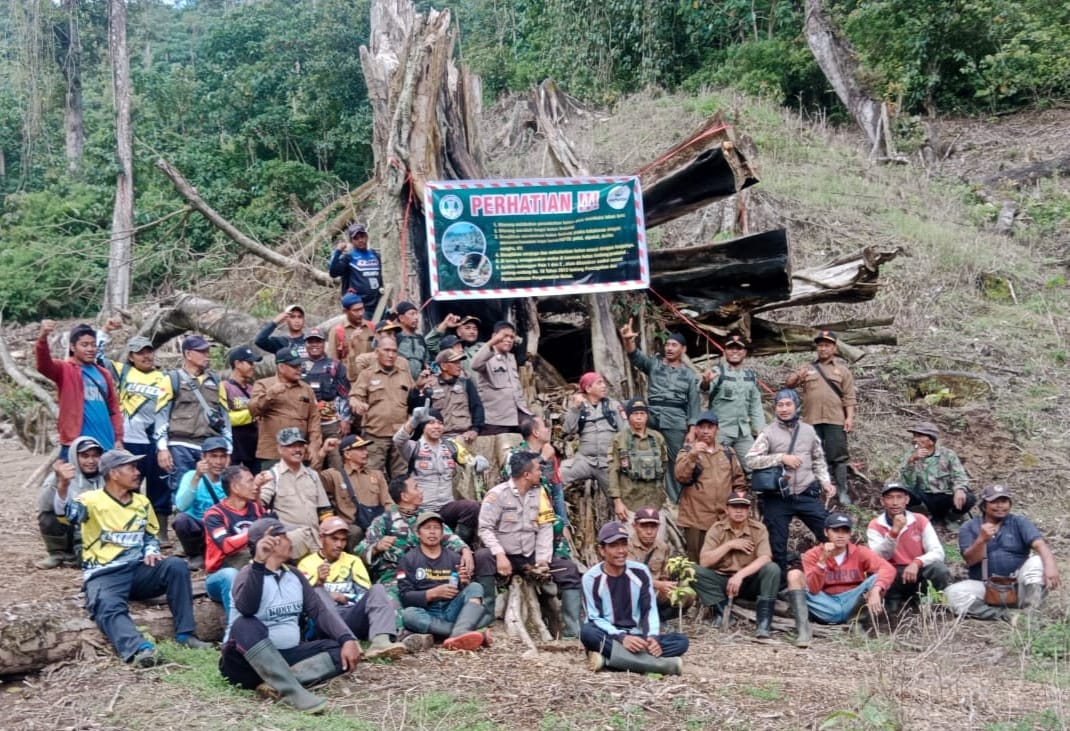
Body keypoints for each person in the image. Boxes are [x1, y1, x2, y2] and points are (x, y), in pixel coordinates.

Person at [54, 449, 211, 667]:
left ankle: (186, 634)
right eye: (131, 468)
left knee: (176, 566)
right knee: (107, 605)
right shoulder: (90, 500)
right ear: (113, 474)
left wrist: (151, 551)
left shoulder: (141, 502)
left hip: (138, 570)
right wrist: (63, 485)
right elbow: (65, 515)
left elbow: (149, 535)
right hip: (104, 573)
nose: (137, 473)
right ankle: (139, 649)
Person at [219, 518, 362, 714]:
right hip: (245, 663)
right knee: (245, 623)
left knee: (339, 651)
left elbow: (318, 610)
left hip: (287, 656)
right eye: (285, 536)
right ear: (270, 542)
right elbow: (247, 609)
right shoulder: (247, 574)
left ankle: (280, 682)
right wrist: (259, 564)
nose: (291, 541)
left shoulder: (294, 575)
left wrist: (346, 639)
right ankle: (292, 691)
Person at [478, 450, 584, 638]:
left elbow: (545, 527)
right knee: (482, 557)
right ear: (526, 474)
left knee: (569, 570)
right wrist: (499, 554)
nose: (540, 473)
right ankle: (487, 620)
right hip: (505, 555)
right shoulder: (497, 494)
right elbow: (485, 528)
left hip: (530, 554)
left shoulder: (540, 493)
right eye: (538, 469)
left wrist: (543, 560)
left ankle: (571, 630)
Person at [354, 475, 480, 611]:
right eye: (416, 488)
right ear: (405, 496)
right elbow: (359, 551)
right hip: (395, 577)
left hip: (428, 573)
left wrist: (465, 550)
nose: (421, 491)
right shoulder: (384, 521)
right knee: (393, 607)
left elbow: (449, 537)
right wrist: (376, 547)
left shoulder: (427, 518)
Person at [745, 388, 834, 575]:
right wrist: (780, 458)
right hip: (777, 496)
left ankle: (832, 575)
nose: (784, 409)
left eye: (788, 404)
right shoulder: (768, 433)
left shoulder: (809, 431)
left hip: (805, 492)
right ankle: (781, 585)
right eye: (780, 405)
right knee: (776, 545)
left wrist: (825, 482)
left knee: (830, 531)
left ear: (796, 406)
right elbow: (751, 460)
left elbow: (818, 459)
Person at [582, 520, 689, 674]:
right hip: (612, 635)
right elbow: (595, 617)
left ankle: (609, 660)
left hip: (637, 635)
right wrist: (622, 638)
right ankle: (659, 665)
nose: (621, 551)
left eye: (624, 544)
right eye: (614, 546)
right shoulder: (591, 578)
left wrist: (652, 637)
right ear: (602, 550)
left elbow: (649, 609)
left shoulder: (640, 571)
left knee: (681, 641)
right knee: (588, 632)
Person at [297, 517, 407, 659]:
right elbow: (303, 604)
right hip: (324, 623)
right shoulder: (306, 564)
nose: (339, 544)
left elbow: (366, 596)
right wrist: (319, 583)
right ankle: (349, 642)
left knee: (378, 589)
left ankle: (381, 641)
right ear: (321, 538)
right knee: (318, 592)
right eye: (334, 539)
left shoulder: (353, 561)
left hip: (350, 614)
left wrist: (344, 597)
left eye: (343, 540)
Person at [945, 484, 1061, 619]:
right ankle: (1005, 615)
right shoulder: (969, 527)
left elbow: (1040, 545)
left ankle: (1032, 612)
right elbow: (970, 560)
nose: (1000, 506)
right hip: (986, 587)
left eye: (1004, 501)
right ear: (984, 506)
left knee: (1037, 560)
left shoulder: (1019, 522)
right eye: (994, 502)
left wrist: (1051, 567)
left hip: (1017, 585)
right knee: (951, 594)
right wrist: (981, 539)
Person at [157, 335, 230, 543]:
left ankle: (214, 533)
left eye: (208, 351)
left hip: (210, 445)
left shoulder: (216, 381)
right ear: (188, 354)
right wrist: (162, 448)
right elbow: (161, 415)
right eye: (202, 351)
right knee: (182, 489)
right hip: (180, 444)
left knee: (215, 487)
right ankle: (185, 538)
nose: (207, 355)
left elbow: (224, 417)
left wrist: (229, 449)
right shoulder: (172, 379)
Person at [619, 320, 701, 504]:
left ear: (683, 349)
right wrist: (628, 340)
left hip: (675, 419)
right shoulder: (655, 365)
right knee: (627, 408)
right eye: (667, 344)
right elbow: (635, 356)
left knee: (676, 461)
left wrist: (692, 430)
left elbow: (694, 403)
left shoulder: (689, 375)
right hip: (653, 414)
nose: (669, 348)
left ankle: (675, 501)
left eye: (674, 345)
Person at [786, 513, 895, 642]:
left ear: (850, 534)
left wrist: (876, 589)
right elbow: (813, 589)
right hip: (825, 604)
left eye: (845, 531)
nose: (840, 535)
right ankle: (803, 630)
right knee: (794, 575)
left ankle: (857, 623)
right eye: (835, 530)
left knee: (878, 577)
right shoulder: (813, 554)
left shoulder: (859, 551)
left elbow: (888, 569)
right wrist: (822, 561)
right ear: (826, 532)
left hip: (852, 602)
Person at [99, 334, 171, 520]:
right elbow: (97, 357)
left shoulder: (165, 377)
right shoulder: (122, 371)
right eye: (140, 353)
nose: (146, 356)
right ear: (131, 356)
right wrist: (105, 332)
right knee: (129, 484)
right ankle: (129, 524)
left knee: (160, 487)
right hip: (129, 440)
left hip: (156, 441)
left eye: (149, 352)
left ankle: (160, 529)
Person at [693, 491, 780, 638]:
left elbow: (765, 558)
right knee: (691, 570)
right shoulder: (717, 529)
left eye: (743, 507)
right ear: (727, 509)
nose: (739, 511)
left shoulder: (758, 529)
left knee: (772, 569)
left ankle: (763, 624)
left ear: (749, 510)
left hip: (749, 581)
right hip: (723, 581)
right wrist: (730, 545)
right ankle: (723, 613)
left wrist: (740, 575)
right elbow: (704, 561)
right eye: (735, 507)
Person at [397, 512, 489, 650]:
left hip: (451, 609)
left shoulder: (454, 557)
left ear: (442, 533)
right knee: (409, 615)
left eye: (436, 528)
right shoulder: (408, 560)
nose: (432, 532)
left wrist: (464, 582)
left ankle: (457, 633)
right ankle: (464, 633)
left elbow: (464, 592)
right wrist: (432, 593)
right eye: (427, 528)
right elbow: (405, 596)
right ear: (417, 533)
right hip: (427, 612)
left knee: (475, 587)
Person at [785, 330, 856, 505]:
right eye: (820, 345)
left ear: (834, 348)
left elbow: (849, 397)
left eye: (827, 345)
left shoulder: (843, 371)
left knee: (838, 456)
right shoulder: (807, 368)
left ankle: (842, 491)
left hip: (835, 419)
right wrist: (798, 375)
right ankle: (813, 489)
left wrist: (849, 418)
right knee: (810, 454)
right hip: (811, 420)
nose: (823, 349)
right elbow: (789, 384)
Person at [393, 407, 483, 543]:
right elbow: (398, 440)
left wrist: (478, 462)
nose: (436, 426)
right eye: (431, 423)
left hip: (446, 507)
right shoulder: (414, 447)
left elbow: (469, 461)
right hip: (421, 509)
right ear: (423, 426)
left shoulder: (451, 446)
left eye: (440, 423)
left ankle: (461, 545)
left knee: (472, 507)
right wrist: (413, 421)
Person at [36, 320, 122, 459]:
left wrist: (118, 437)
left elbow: (113, 408)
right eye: (84, 345)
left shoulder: (103, 373)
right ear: (72, 347)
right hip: (77, 446)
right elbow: (44, 366)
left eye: (93, 345)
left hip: (107, 444)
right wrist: (42, 338)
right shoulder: (65, 369)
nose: (90, 349)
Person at [866, 481, 950, 612]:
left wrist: (917, 562)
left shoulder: (919, 520)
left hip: (917, 572)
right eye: (890, 498)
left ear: (907, 500)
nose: (895, 502)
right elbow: (877, 558)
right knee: (874, 572)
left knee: (939, 569)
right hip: (893, 575)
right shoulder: (876, 525)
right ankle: (891, 600)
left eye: (899, 497)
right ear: (882, 501)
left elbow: (938, 552)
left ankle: (924, 598)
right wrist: (893, 533)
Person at [674, 410, 747, 561]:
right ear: (696, 430)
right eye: (702, 427)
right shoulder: (686, 452)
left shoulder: (728, 452)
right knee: (697, 563)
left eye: (710, 427)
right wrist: (692, 455)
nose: (705, 431)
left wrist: (736, 509)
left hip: (723, 519)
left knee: (724, 561)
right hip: (696, 520)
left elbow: (739, 482)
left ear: (717, 429)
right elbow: (680, 476)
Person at [258, 428, 335, 560]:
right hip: (289, 543)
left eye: (300, 445)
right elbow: (259, 507)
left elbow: (325, 510)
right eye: (291, 446)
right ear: (280, 448)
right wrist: (256, 489)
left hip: (315, 540)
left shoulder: (313, 475)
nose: (297, 450)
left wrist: (330, 534)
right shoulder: (272, 476)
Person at [203, 465, 265, 622]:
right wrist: (254, 531)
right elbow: (226, 546)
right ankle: (235, 630)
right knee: (230, 575)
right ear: (235, 487)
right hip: (220, 575)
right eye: (250, 481)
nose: (255, 485)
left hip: (252, 570)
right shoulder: (214, 514)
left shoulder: (257, 509)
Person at [350, 333, 417, 477]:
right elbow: (354, 397)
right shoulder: (367, 374)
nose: (391, 355)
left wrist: (421, 386)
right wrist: (358, 404)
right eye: (386, 350)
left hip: (400, 435)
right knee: (373, 476)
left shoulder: (404, 373)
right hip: (376, 434)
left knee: (401, 477)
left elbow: (413, 397)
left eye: (394, 351)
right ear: (376, 352)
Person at [471, 322, 533, 471]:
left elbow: (515, 387)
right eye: (504, 336)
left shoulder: (510, 358)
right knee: (495, 459)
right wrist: (492, 342)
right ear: (495, 336)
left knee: (523, 448)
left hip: (514, 414)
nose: (509, 340)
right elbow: (475, 364)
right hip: (495, 418)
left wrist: (525, 409)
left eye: (511, 337)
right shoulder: (487, 356)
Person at [36, 436, 104, 569]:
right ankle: (59, 553)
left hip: (97, 528)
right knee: (48, 517)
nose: (91, 461)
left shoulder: (107, 476)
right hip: (71, 523)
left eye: (95, 456)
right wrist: (59, 481)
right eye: (85, 456)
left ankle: (80, 554)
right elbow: (44, 506)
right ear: (74, 457)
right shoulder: (61, 475)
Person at [700, 334, 765, 471]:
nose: (735, 351)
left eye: (739, 348)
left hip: (743, 432)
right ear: (725, 351)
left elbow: (755, 405)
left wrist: (760, 430)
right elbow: (705, 389)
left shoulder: (750, 376)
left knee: (753, 467)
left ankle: (750, 486)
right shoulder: (718, 372)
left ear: (745, 352)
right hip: (721, 432)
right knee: (717, 469)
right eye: (730, 348)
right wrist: (705, 383)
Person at [248, 346, 322, 467]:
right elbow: (253, 410)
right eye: (294, 366)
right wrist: (271, 394)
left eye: (300, 365)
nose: (299, 369)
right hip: (273, 453)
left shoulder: (306, 389)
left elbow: (314, 418)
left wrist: (315, 443)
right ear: (281, 367)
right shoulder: (263, 384)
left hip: (299, 452)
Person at [318, 433, 393, 549]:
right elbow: (311, 476)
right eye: (360, 449)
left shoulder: (376, 475)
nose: (365, 453)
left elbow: (388, 503)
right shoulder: (335, 475)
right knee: (355, 531)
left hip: (376, 525)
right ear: (347, 454)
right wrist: (323, 452)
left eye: (365, 449)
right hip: (351, 527)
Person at [897, 422, 975, 525]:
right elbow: (907, 483)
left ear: (931, 440)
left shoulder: (948, 454)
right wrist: (912, 461)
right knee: (901, 492)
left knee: (969, 498)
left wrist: (959, 489)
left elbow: (959, 475)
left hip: (945, 496)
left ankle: (952, 518)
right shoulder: (910, 454)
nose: (915, 439)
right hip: (924, 498)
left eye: (920, 436)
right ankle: (924, 517)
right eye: (915, 436)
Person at [171, 435, 230, 569]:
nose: (219, 462)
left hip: (221, 527)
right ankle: (195, 554)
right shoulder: (190, 476)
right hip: (198, 526)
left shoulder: (230, 478)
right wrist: (197, 477)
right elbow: (181, 506)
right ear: (203, 457)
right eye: (213, 456)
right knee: (181, 520)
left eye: (222, 457)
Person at [607, 399, 668, 522]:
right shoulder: (619, 439)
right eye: (635, 414)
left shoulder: (657, 438)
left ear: (647, 416)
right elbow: (613, 470)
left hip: (655, 502)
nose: (639, 417)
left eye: (642, 413)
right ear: (629, 416)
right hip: (630, 503)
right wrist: (617, 502)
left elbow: (664, 465)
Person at [559, 371, 620, 493]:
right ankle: (554, 504)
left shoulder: (613, 406)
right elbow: (568, 429)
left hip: (608, 462)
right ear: (588, 388)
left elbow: (625, 431)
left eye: (603, 383)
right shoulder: (579, 407)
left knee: (615, 498)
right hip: (585, 461)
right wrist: (575, 408)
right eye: (599, 383)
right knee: (558, 475)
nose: (604, 386)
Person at [301, 327, 350, 472]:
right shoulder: (298, 366)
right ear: (305, 344)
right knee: (312, 461)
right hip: (307, 424)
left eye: (318, 341)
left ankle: (340, 485)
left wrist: (345, 419)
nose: (314, 345)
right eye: (310, 341)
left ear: (324, 343)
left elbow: (344, 393)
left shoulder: (335, 365)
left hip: (332, 423)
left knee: (337, 461)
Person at [410, 348, 484, 443]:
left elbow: (477, 407)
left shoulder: (465, 382)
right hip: (439, 437)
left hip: (464, 436)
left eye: (459, 362)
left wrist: (475, 429)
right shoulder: (430, 383)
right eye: (455, 363)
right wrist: (418, 388)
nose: (459, 366)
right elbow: (416, 409)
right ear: (444, 366)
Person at [627, 508, 683, 622]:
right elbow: (628, 576)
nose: (649, 532)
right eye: (644, 526)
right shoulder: (626, 546)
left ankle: (659, 619)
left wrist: (666, 586)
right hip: (632, 592)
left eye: (653, 527)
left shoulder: (663, 547)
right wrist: (658, 584)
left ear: (658, 527)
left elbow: (664, 574)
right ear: (634, 526)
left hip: (655, 592)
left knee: (686, 596)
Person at [220, 346, 262, 472]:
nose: (253, 366)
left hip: (254, 448)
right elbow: (225, 418)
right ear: (237, 364)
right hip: (234, 448)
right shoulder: (224, 387)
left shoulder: (253, 389)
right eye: (249, 363)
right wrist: (252, 413)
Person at [326, 292, 375, 392]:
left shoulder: (371, 327)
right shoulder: (337, 331)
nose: (360, 313)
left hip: (370, 382)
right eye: (356, 310)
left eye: (362, 309)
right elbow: (333, 362)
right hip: (349, 384)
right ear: (345, 311)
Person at [328, 222, 383, 311]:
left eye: (362, 236)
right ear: (351, 241)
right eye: (356, 238)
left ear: (366, 237)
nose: (360, 240)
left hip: (378, 304)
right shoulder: (348, 257)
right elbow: (333, 272)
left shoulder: (376, 256)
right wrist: (338, 252)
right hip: (358, 308)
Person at [394, 301, 431, 379]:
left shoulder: (420, 339)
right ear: (401, 318)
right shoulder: (395, 337)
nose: (416, 318)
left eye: (416, 314)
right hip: (399, 380)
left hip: (419, 381)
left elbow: (426, 360)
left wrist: (426, 368)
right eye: (412, 314)